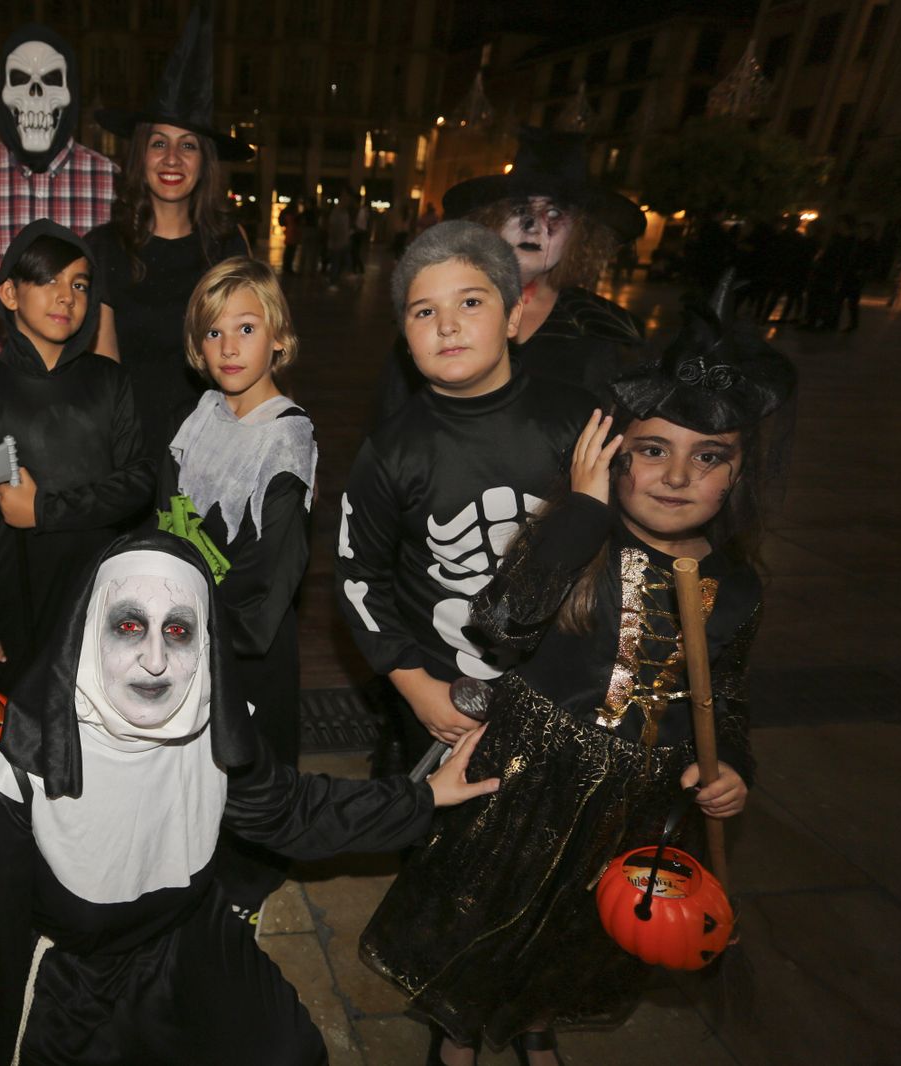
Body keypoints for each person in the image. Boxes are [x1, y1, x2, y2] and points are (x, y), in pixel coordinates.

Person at [361, 286, 796, 1066]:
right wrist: (582, 513)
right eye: (653, 450)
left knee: (572, 925)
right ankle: (457, 1032)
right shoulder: (580, 545)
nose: (677, 475)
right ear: (613, 457)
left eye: (709, 457)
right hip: (530, 777)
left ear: (738, 474)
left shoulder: (737, 588)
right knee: (487, 912)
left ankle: (535, 1020)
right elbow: (502, 621)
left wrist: (731, 764)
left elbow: (725, 695)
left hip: (636, 802)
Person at [0, 531, 501, 1066]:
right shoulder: (19, 783)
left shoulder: (212, 734)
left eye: (178, 631)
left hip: (188, 935)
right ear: (89, 631)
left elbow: (292, 810)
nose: (156, 659)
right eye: (130, 625)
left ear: (205, 646)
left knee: (288, 1053)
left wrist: (422, 796)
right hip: (75, 978)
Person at [335, 222, 594, 780]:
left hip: (570, 692)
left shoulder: (579, 423)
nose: (447, 324)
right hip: (445, 692)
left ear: (514, 317)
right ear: (405, 337)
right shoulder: (390, 453)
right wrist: (415, 686)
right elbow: (359, 580)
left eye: (470, 302)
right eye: (423, 311)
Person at [164, 257, 316, 925]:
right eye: (214, 332)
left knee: (248, 759)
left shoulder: (286, 438)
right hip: (188, 621)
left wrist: (213, 627)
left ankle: (245, 888)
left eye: (246, 328)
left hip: (246, 639)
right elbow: (166, 506)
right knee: (194, 760)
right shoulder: (204, 412)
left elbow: (273, 569)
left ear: (278, 337)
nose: (229, 347)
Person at [0, 220, 153, 694]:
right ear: (9, 293)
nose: (66, 297)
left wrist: (44, 510)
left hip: (100, 591)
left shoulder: (109, 382)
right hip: (14, 605)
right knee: (27, 716)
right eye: (49, 279)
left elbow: (139, 481)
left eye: (79, 285)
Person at [88, 3, 254, 457]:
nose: (172, 159)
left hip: (213, 446)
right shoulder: (104, 247)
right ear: (140, 155)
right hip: (130, 447)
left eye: (189, 146)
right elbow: (104, 374)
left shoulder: (228, 245)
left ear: (205, 163)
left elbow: (255, 354)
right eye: (159, 143)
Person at [380, 127, 646, 411]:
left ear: (579, 234)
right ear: (490, 221)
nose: (532, 226)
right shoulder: (435, 310)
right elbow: (393, 417)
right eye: (519, 210)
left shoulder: (601, 331)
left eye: (554, 213)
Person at [0, 23, 117, 366]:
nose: (36, 94)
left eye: (51, 81)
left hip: (82, 384)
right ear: (2, 92)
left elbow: (114, 301)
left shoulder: (110, 182)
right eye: (20, 81)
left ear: (71, 92)